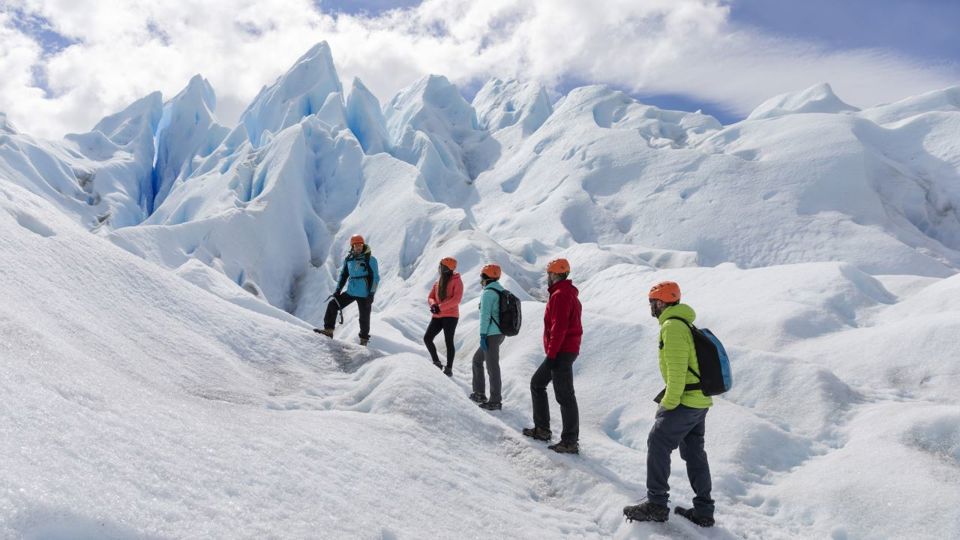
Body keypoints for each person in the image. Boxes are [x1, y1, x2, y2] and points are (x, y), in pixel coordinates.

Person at [623, 281, 715, 527]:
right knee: (694, 452)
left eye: (652, 302)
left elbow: (677, 373)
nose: (651, 307)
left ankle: (656, 504)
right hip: (699, 401)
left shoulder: (672, 327)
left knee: (658, 442)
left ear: (661, 302)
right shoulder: (683, 323)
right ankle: (704, 511)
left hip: (685, 401)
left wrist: (667, 404)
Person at [522, 258, 582, 454]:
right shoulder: (566, 293)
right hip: (564, 350)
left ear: (555, 274)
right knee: (539, 384)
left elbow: (559, 327)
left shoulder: (560, 295)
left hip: (561, 351)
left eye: (549, 274)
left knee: (564, 395)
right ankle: (543, 429)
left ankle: (569, 441)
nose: (547, 277)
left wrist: (552, 354)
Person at [315, 234, 380, 346]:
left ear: (363, 245)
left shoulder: (370, 259)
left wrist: (371, 294)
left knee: (364, 317)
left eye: (360, 245)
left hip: (365, 294)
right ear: (352, 246)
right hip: (351, 291)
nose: (358, 247)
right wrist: (338, 290)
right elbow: (343, 275)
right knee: (333, 304)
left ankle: (363, 340)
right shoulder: (349, 259)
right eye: (356, 245)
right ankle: (328, 330)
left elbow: (375, 278)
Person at [470, 263, 506, 411]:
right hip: (499, 333)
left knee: (492, 367)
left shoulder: (488, 293)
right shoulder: (501, 290)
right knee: (477, 360)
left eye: (481, 277)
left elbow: (485, 316)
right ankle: (479, 393)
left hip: (490, 334)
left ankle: (495, 400)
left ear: (485, 277)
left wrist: (483, 335)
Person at [424, 257, 463, 376]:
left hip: (450, 316)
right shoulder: (438, 281)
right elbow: (430, 297)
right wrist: (434, 304)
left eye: (441, 266)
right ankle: (436, 362)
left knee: (448, 341)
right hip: (438, 315)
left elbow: (456, 300)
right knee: (427, 338)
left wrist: (439, 307)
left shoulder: (457, 281)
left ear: (445, 268)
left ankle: (449, 368)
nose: (439, 268)